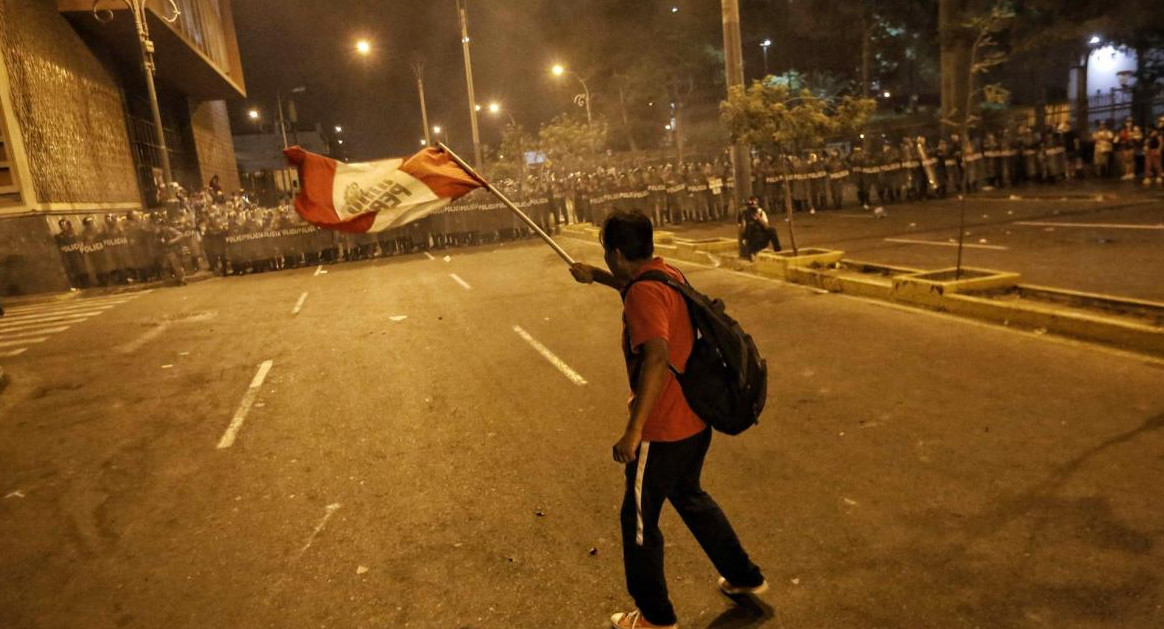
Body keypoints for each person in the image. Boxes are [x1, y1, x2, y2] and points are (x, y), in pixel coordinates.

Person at [568, 211, 767, 629]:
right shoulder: (664, 272)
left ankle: (656, 618)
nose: (606, 260)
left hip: (663, 429)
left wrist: (634, 431)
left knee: (638, 520)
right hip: (695, 419)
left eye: (605, 255)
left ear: (618, 253)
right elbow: (636, 288)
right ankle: (743, 576)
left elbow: (656, 356)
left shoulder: (644, 294)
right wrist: (595, 277)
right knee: (690, 496)